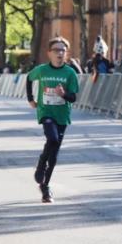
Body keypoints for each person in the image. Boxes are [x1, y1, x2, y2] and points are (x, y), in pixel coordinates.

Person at [26, 36, 80, 203]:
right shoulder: (42, 70)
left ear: (66, 53)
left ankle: (45, 187)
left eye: (62, 50)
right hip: (46, 111)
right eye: (56, 50)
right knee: (52, 138)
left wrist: (64, 94)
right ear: (49, 53)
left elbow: (73, 97)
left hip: (62, 115)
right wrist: (31, 99)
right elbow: (29, 78)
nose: (59, 53)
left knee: (54, 154)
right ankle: (41, 164)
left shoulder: (70, 73)